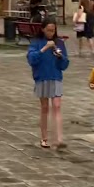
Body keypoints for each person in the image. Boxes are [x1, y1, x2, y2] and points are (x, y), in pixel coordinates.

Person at [26, 19, 70, 150]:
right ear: (43, 29)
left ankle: (59, 138)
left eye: (53, 30)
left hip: (55, 76)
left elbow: (65, 64)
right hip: (42, 77)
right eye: (49, 30)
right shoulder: (36, 43)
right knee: (45, 107)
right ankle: (44, 137)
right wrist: (44, 49)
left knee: (57, 106)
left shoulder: (59, 43)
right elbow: (31, 59)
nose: (51, 33)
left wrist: (60, 56)